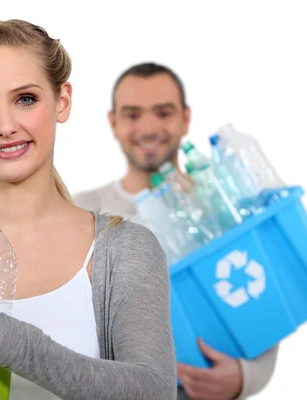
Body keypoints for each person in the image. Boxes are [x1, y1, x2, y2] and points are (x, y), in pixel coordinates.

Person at [0, 21, 177, 399]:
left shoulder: (124, 250)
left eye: (25, 99)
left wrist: (14, 344)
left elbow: (154, 391)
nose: (5, 126)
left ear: (62, 101)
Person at [74, 63, 279, 399]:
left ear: (185, 118)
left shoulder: (218, 206)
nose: (149, 127)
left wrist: (243, 378)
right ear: (114, 123)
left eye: (163, 113)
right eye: (133, 114)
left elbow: (263, 309)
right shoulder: (84, 210)